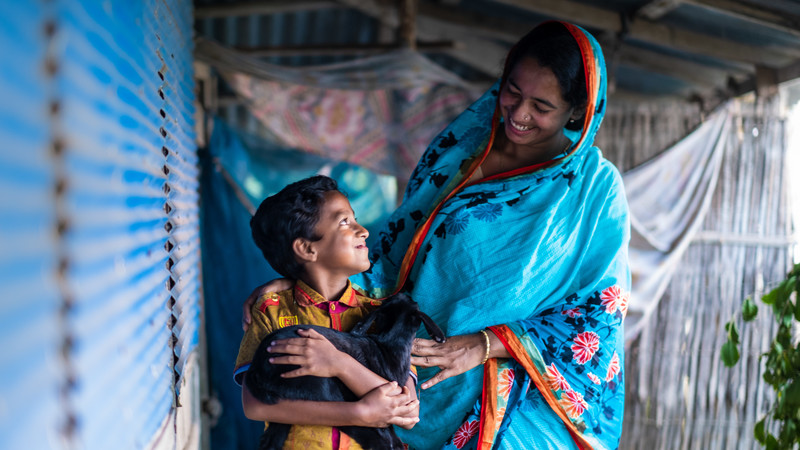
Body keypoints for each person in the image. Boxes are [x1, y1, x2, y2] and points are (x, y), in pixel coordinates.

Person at [245, 21, 630, 450]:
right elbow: (397, 250)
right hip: (407, 369)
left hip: (513, 398)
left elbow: (598, 313)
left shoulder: (593, 190)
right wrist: (310, 275)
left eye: (542, 106)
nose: (519, 114)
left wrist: (484, 345)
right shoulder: (460, 148)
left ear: (578, 111)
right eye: (512, 92)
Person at [234, 175, 419, 449]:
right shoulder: (272, 310)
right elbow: (255, 405)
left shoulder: (383, 315)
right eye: (344, 222)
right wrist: (358, 414)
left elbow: (408, 411)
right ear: (307, 248)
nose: (363, 230)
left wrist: (338, 363)